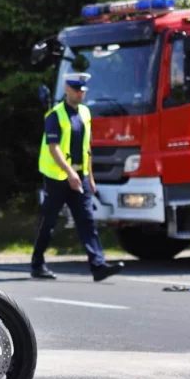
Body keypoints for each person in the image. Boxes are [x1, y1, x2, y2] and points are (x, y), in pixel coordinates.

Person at [31, 73, 123, 281]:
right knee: (49, 222)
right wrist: (70, 173)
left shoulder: (85, 113)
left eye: (83, 90)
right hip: (56, 178)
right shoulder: (54, 115)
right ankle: (37, 264)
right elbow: (53, 149)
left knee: (87, 220)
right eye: (77, 90)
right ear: (67, 90)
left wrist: (89, 176)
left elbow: (86, 147)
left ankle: (98, 266)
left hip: (79, 176)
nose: (81, 94)